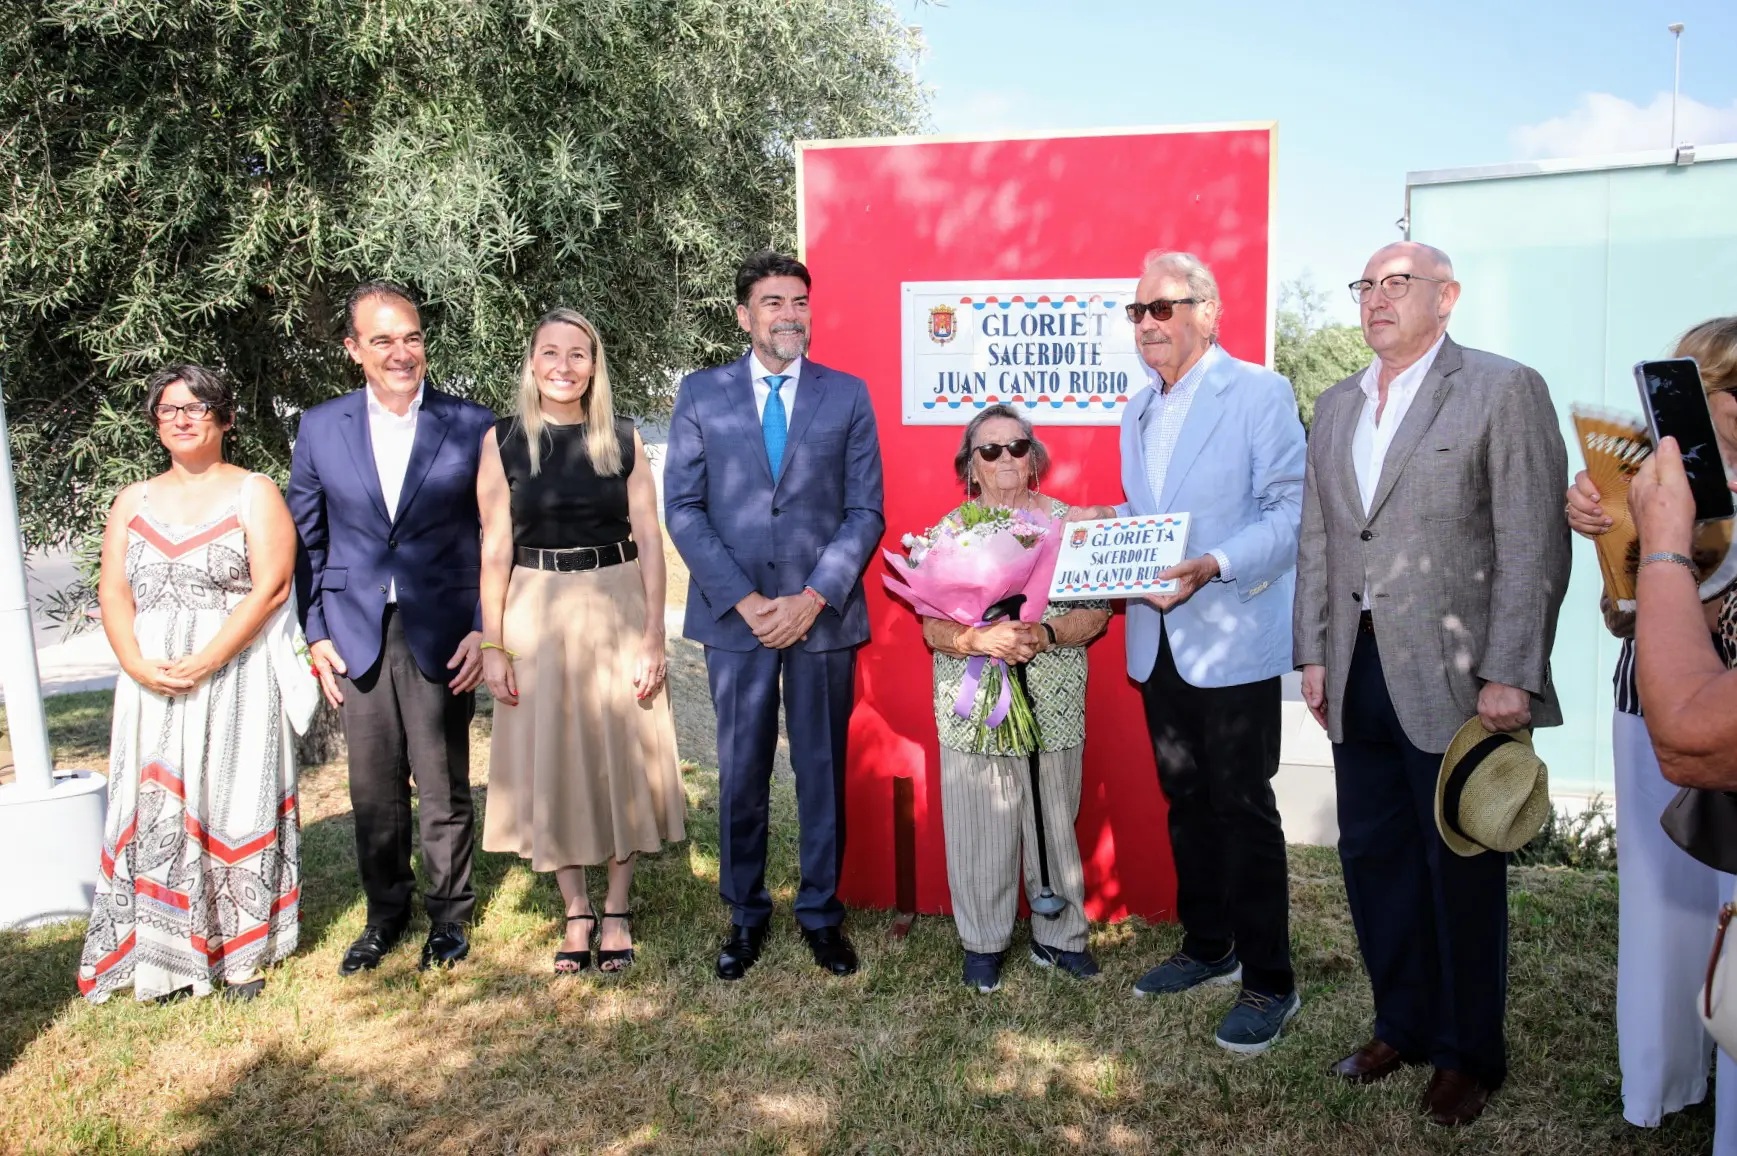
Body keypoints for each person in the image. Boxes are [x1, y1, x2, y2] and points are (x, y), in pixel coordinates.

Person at [1294, 241, 1571, 1125]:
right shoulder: (1336, 404)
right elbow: (1318, 538)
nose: (1375, 299)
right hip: (1354, 669)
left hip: (1458, 678)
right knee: (1372, 859)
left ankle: (1465, 1055)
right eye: (1365, 286)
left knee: (1459, 869)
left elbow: (1533, 540)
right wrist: (1312, 653)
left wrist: (1510, 671)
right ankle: (1401, 1025)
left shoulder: (1501, 388)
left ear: (1445, 297)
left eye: (1396, 284)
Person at [1089, 250, 1306, 1055]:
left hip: (1232, 638)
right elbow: (1154, 518)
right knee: (1185, 801)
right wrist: (1096, 526)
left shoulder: (1258, 392)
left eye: (1163, 307)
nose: (1147, 323)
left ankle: (1269, 980)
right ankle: (1209, 945)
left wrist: (1214, 564)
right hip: (1158, 642)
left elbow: (1290, 513)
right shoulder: (1136, 410)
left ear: (1207, 312)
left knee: (1242, 808)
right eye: (1137, 311)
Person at [664, 250, 885, 980]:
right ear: (743, 315)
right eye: (772, 303)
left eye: (798, 302)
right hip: (737, 618)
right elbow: (683, 508)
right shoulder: (701, 393)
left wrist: (813, 596)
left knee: (820, 769)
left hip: (822, 617)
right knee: (741, 768)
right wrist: (746, 600)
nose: (789, 315)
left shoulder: (846, 395)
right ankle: (745, 914)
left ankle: (821, 914)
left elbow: (865, 512)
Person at [79, 364, 314, 1003]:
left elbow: (272, 587)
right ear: (156, 423)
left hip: (236, 674)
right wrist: (133, 662)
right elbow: (113, 591)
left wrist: (207, 658)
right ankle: (161, 956)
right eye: (169, 409)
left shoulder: (254, 492)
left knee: (232, 799)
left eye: (197, 407)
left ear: (225, 419)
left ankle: (240, 955)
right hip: (151, 680)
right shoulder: (132, 501)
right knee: (156, 803)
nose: (182, 419)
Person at [288, 281, 495, 974]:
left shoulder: (470, 423)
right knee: (373, 788)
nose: (400, 352)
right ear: (354, 349)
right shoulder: (321, 427)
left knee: (442, 782)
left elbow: (496, 535)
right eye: (382, 340)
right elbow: (306, 542)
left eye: (411, 337)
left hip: (445, 628)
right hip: (355, 629)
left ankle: (449, 916)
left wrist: (483, 627)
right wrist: (316, 632)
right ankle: (385, 915)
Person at [1564, 316, 1737, 1132]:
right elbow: (1619, 614)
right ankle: (1665, 1082)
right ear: (1695, 394)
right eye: (1732, 389)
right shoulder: (1645, 479)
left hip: (1726, 722)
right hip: (1657, 708)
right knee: (1660, 901)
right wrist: (1614, 534)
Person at [477, 307, 685, 974]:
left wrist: (653, 635)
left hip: (616, 600)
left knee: (622, 748)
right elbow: (494, 549)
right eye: (550, 352)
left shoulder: (621, 438)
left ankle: (617, 906)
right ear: (531, 362)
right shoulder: (501, 441)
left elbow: (649, 539)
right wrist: (492, 644)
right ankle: (575, 908)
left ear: (594, 367)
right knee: (553, 755)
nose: (563, 367)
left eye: (577, 354)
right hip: (534, 607)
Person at [920, 407, 1110, 993]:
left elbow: (1097, 613)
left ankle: (1060, 936)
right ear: (970, 466)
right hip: (974, 699)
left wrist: (1044, 633)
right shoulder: (950, 532)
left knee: (1054, 817)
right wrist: (977, 639)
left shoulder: (1071, 524)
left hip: (1052, 693)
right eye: (990, 449)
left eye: (1017, 446)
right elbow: (931, 627)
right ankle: (983, 941)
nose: (1006, 458)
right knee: (979, 823)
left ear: (1035, 458)